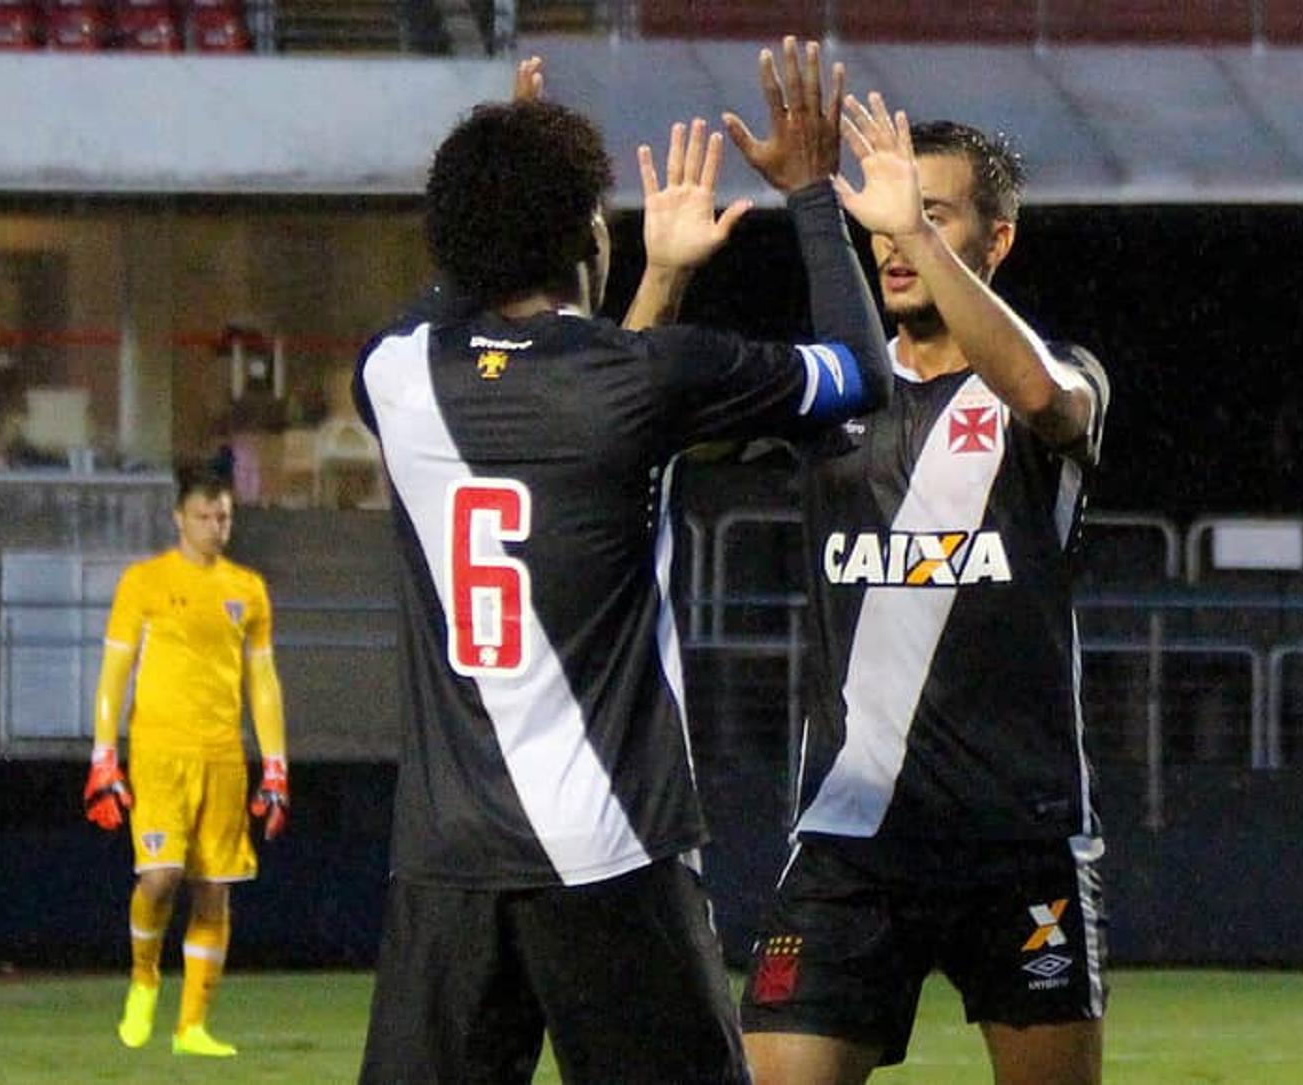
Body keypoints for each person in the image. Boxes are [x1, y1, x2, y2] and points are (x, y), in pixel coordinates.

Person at [351, 40, 920, 1084]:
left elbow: (519, 353)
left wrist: (514, 165)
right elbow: (863, 376)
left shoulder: (391, 373)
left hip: (447, 861)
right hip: (609, 848)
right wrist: (807, 197)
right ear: (581, 236)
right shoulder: (645, 375)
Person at [737, 97, 1111, 1085]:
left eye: (932, 211)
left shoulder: (1056, 376)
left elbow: (1044, 399)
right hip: (850, 843)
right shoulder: (832, 393)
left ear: (999, 238)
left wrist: (904, 225)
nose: (897, 233)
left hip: (1018, 838)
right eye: (890, 208)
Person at [83, 465, 290, 1058]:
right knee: (159, 876)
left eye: (223, 516)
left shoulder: (247, 589)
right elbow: (115, 670)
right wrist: (104, 756)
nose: (215, 526)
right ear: (180, 517)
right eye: (204, 516)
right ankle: (144, 978)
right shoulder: (144, 582)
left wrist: (275, 765)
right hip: (158, 751)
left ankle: (192, 1027)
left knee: (215, 890)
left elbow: (264, 682)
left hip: (223, 755)